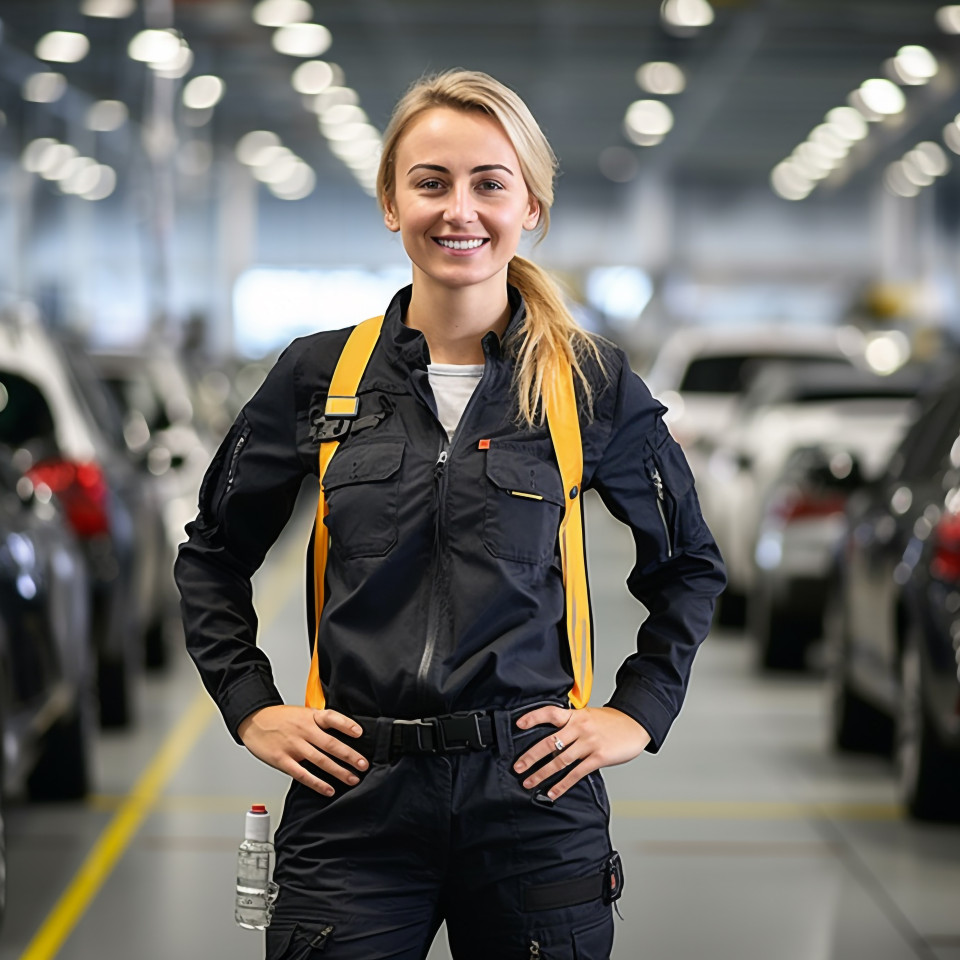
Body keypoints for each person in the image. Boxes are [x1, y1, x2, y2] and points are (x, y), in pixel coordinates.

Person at [175, 69, 725, 960]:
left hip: (532, 798)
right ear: (392, 202)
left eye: (489, 183)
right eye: (430, 182)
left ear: (531, 206)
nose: (458, 209)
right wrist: (251, 706)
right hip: (353, 797)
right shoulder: (319, 378)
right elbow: (211, 555)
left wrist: (637, 711)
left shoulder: (588, 383)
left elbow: (688, 563)